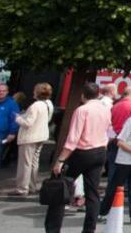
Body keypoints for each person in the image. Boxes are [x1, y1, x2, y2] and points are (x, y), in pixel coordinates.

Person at [47, 82, 110, 233]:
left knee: (61, 189)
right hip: (100, 151)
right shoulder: (105, 109)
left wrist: (61, 160)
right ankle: (89, 229)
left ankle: (53, 228)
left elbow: (73, 138)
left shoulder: (82, 110)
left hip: (82, 152)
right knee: (92, 192)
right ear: (97, 94)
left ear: (83, 95)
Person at [6, 82, 53, 196]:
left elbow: (28, 123)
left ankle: (22, 188)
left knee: (25, 163)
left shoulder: (35, 105)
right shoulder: (48, 104)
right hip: (41, 136)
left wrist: (17, 118)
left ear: (37, 92)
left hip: (30, 137)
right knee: (33, 162)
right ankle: (31, 185)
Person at [106, 86, 131, 181]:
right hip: (128, 140)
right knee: (126, 166)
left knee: (113, 165)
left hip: (114, 138)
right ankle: (121, 189)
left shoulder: (114, 106)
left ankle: (111, 189)